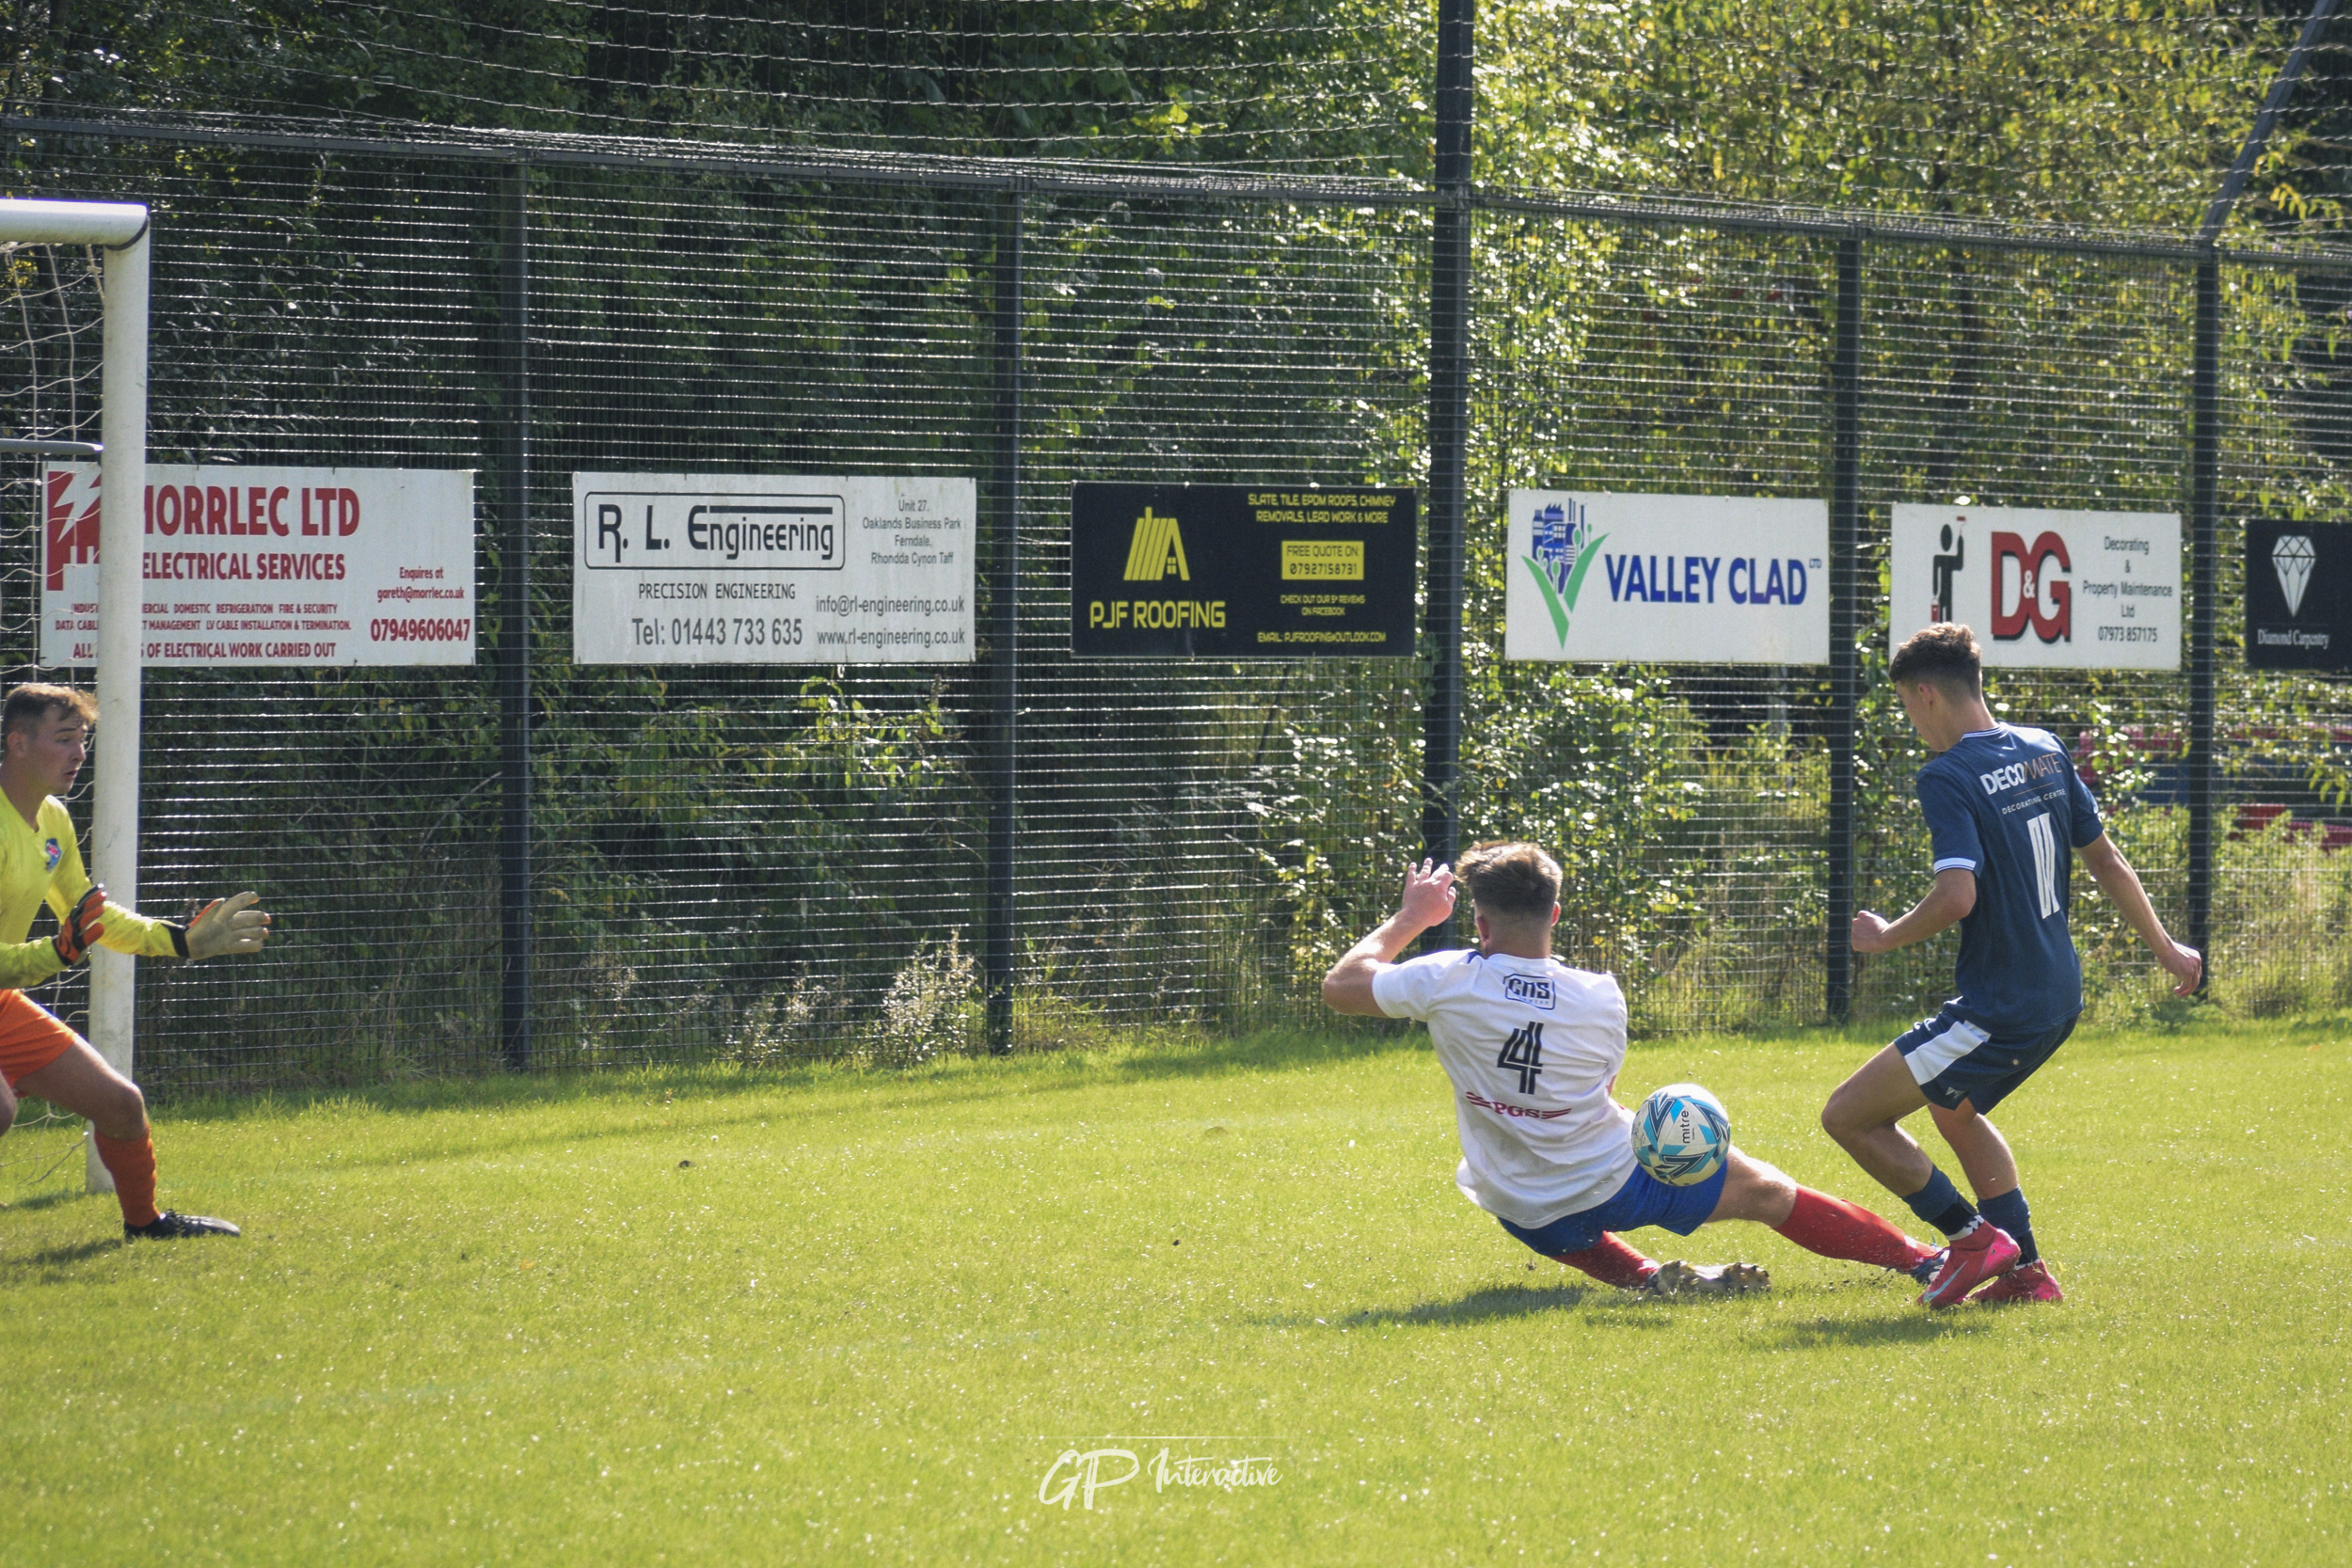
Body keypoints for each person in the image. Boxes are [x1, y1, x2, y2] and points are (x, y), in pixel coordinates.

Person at [1323, 841, 1939, 1296]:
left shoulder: (1445, 978)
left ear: (1480, 923)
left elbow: (1342, 986)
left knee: (1548, 1214)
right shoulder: (1600, 995)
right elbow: (1606, 1090)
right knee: (1771, 1192)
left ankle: (1647, 1276)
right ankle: (1924, 1260)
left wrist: (1414, 917)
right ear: (1555, 914)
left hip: (1520, 1206)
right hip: (1620, 1183)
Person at [1822, 625, 2201, 1307]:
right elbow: (2107, 860)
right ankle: (2026, 1272)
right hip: (2059, 992)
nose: (1914, 724)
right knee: (1958, 1111)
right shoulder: (2045, 750)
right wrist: (2168, 948)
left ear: (1926, 693)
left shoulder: (1947, 775)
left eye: (1909, 707)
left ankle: (1973, 1238)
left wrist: (1882, 937)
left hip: (2001, 1002)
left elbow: (1956, 895)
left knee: (1848, 1115)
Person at [0, 684, 271, 1240]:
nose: (79, 754)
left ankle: (146, 1226)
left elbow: (91, 918)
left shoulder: (52, 820)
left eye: (84, 740)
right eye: (65, 739)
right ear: (18, 744)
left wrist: (182, 941)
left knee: (121, 1104)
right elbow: (63, 943)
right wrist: (54, 952)